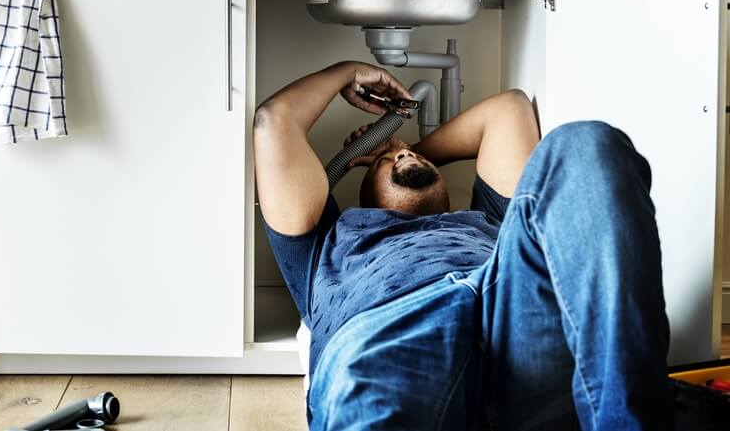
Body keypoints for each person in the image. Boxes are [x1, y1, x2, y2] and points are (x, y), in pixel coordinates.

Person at [253, 60, 673, 430]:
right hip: (391, 330)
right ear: (362, 191)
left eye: (408, 159)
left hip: (509, 309)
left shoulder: (487, 217)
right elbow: (274, 121)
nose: (402, 159)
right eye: (385, 163)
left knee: (586, 145)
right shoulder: (328, 240)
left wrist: (402, 148)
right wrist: (347, 71)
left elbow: (509, 109)